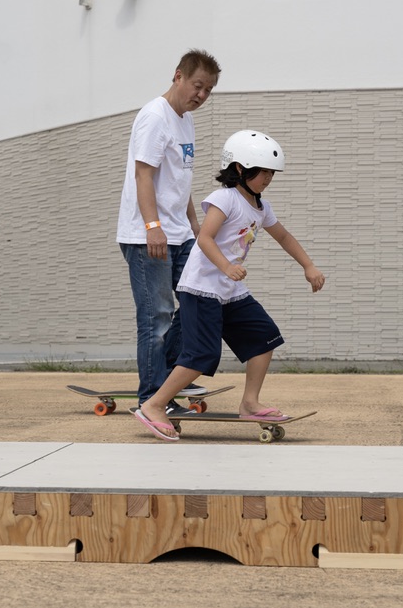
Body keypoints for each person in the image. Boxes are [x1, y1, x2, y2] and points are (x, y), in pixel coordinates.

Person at [134, 131, 326, 441]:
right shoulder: (224, 199)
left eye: (271, 172)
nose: (268, 178)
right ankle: (153, 405)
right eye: (262, 171)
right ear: (239, 169)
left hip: (229, 290)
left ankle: (250, 403)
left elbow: (284, 236)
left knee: (265, 338)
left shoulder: (260, 207)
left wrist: (308, 265)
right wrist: (226, 266)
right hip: (201, 288)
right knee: (201, 355)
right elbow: (205, 238)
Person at [116, 49, 222, 413]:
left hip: (179, 233)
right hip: (148, 235)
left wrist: (194, 225)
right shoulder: (155, 116)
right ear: (178, 76)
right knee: (156, 315)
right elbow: (143, 174)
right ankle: (151, 398)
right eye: (197, 86)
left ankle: (169, 377)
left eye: (208, 90)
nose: (201, 95)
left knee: (194, 304)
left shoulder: (185, 120)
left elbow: (179, 180)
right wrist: (153, 227)